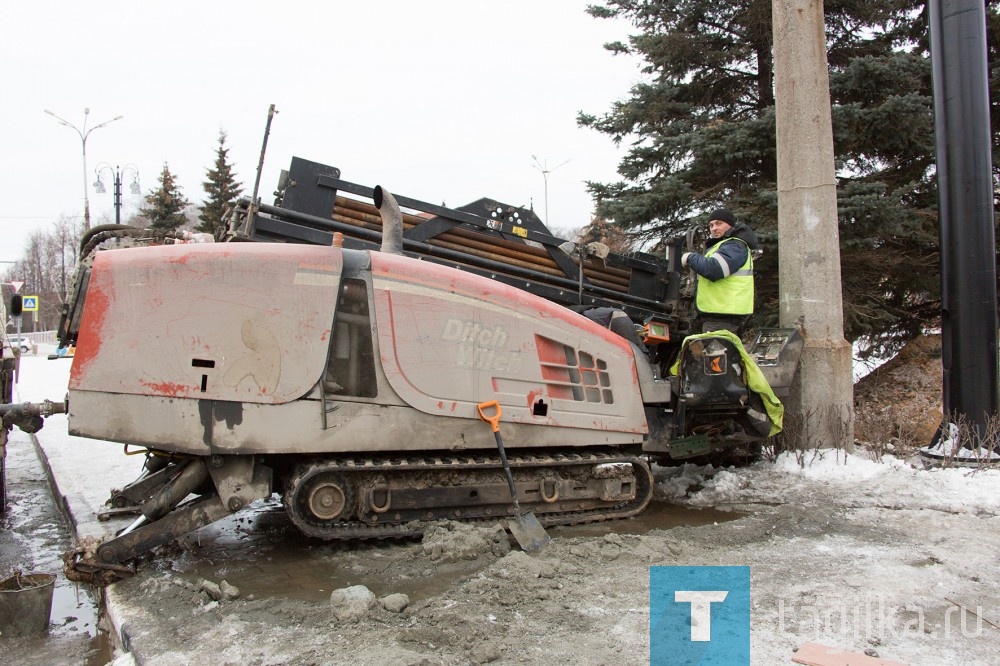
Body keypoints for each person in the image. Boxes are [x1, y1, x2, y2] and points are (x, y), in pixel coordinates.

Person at [681, 208, 759, 334]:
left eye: (719, 223)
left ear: (730, 225)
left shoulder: (735, 246)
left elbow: (713, 269)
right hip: (715, 315)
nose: (714, 228)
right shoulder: (720, 246)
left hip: (724, 317)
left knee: (714, 353)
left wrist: (690, 257)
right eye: (711, 225)